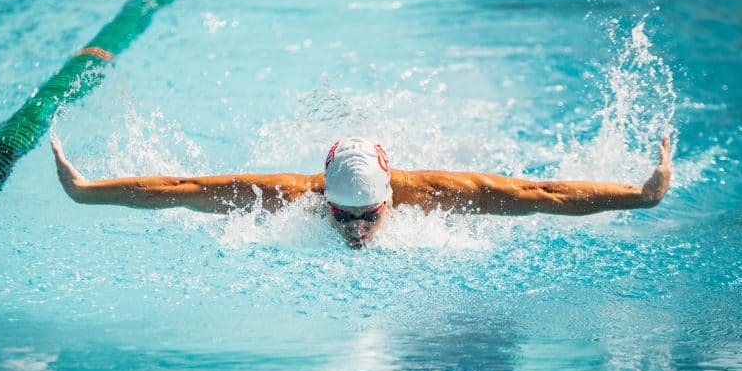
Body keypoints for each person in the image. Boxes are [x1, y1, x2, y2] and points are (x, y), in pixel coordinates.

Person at [52, 136, 672, 249]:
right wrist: (86, 192)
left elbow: (544, 193)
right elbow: (179, 188)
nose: (354, 232)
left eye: (368, 216)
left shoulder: (439, 194)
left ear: (391, 200)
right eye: (341, 217)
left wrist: (637, 195)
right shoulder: (287, 195)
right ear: (320, 196)